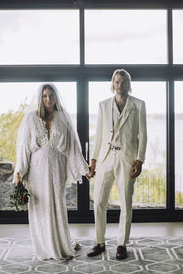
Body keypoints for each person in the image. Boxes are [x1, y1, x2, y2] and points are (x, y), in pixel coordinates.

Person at [13, 83, 89, 260]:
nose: (48, 99)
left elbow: (73, 146)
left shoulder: (63, 117)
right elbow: (24, 148)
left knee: (57, 206)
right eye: (45, 96)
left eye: (51, 95)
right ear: (40, 98)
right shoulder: (31, 118)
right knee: (40, 209)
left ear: (56, 97)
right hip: (36, 171)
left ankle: (60, 245)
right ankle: (44, 247)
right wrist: (19, 171)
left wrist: (84, 168)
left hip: (57, 168)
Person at [87, 69, 147, 259]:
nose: (119, 85)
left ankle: (122, 244)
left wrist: (140, 160)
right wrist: (94, 160)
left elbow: (143, 135)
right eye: (117, 82)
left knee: (126, 204)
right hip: (105, 158)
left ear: (129, 84)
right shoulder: (103, 105)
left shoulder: (138, 105)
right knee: (98, 202)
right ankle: (100, 242)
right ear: (112, 84)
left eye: (123, 82)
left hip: (127, 159)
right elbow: (98, 135)